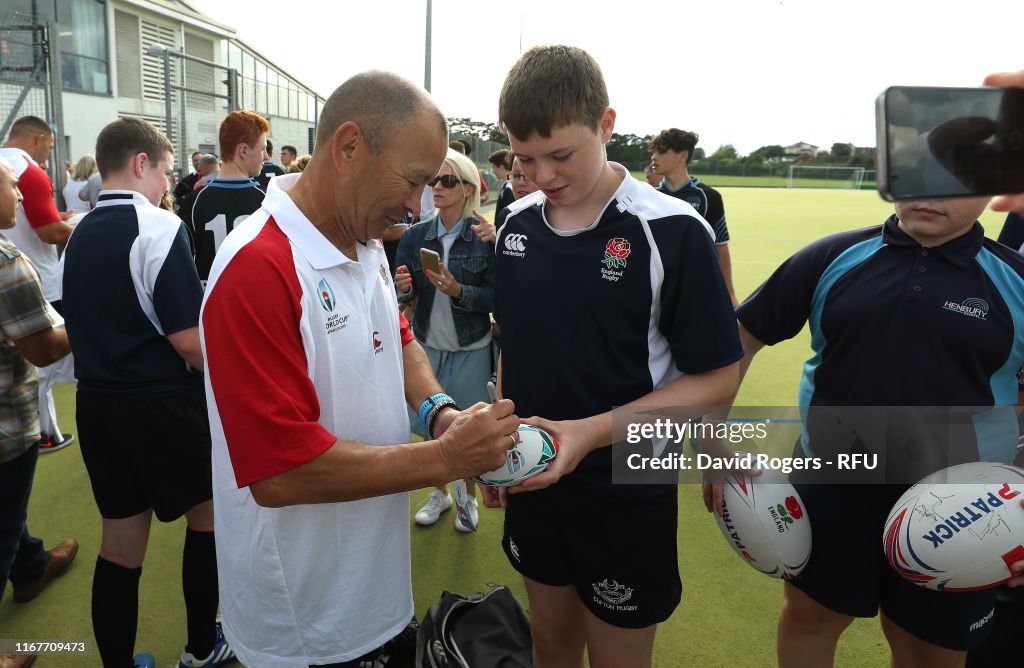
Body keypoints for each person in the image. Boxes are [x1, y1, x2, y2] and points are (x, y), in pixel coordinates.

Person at [200, 70, 520, 667]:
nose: (417, 204)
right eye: (414, 180)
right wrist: (445, 459)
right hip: (304, 623)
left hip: (373, 593)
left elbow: (395, 338)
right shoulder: (257, 267)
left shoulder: (364, 239)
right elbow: (280, 473)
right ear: (348, 147)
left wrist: (439, 413)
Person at [485, 46, 742, 668]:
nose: (541, 175)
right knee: (549, 642)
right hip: (535, 477)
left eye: (561, 155)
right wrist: (496, 442)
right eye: (524, 159)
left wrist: (589, 434)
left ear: (606, 125)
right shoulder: (515, 222)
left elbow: (717, 375)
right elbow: (510, 343)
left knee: (618, 658)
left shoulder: (674, 230)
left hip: (627, 487)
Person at [703, 192, 1024, 667]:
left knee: (929, 649)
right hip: (832, 481)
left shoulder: (1014, 278)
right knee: (810, 619)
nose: (931, 195)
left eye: (955, 182)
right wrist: (712, 442)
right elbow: (739, 340)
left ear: (988, 189)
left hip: (965, 508)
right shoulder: (832, 255)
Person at [58, 117, 234, 668]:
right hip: (162, 403)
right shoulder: (158, 227)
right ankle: (201, 649)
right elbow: (188, 341)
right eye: (164, 171)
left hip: (97, 406)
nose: (167, 183)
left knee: (120, 547)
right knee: (205, 522)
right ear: (141, 164)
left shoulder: (77, 232)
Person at [0, 156, 78, 668]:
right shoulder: (5, 262)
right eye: (12, 186)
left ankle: (30, 567)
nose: (22, 196)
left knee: (10, 515)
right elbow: (45, 349)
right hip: (5, 429)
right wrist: (89, 317)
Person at [395, 148, 496, 532]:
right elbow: (404, 290)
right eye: (435, 180)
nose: (437, 187)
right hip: (425, 345)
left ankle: (467, 498)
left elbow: (495, 297)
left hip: (471, 347)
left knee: (467, 426)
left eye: (448, 180)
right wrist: (403, 286)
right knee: (428, 426)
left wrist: (459, 291)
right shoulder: (417, 234)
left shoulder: (484, 237)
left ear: (468, 188)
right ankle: (440, 493)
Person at [0, 116, 76, 454]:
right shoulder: (28, 170)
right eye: (49, 144)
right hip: (34, 285)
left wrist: (59, 216)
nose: (17, 195)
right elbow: (49, 232)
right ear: (38, 139)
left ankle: (48, 432)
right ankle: (45, 433)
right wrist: (89, 228)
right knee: (40, 367)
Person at [649, 128, 737, 306]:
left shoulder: (709, 197)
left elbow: (721, 247)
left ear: (682, 156)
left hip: (696, 289)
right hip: (656, 291)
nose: (654, 157)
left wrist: (730, 294)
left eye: (662, 151)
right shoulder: (648, 196)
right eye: (654, 151)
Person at [182, 112, 268, 284]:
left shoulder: (193, 202)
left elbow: (184, 268)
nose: (265, 156)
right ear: (244, 150)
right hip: (255, 302)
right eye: (262, 148)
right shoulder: (269, 201)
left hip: (209, 305)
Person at [489, 148, 514, 213]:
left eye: (494, 167)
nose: (493, 171)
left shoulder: (509, 189)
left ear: (501, 167)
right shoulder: (508, 186)